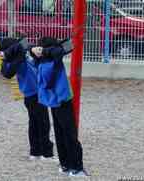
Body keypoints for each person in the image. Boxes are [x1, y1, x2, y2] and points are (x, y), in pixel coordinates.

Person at [30, 37, 89, 177]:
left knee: (60, 134)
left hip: (53, 103)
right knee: (70, 135)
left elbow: (37, 50)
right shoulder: (54, 61)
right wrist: (44, 50)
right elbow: (59, 50)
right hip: (63, 101)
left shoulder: (40, 62)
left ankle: (65, 165)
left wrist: (38, 50)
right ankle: (77, 168)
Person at [0, 37, 54, 160]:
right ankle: (46, 153)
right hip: (34, 94)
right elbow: (7, 72)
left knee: (34, 123)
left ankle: (35, 152)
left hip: (33, 94)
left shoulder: (23, 56)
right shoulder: (15, 60)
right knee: (43, 123)